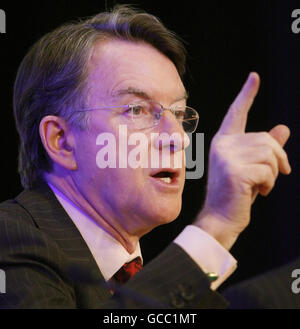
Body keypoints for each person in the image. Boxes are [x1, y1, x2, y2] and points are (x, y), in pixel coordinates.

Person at [0, 5, 291, 308]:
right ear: (61, 141)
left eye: (178, 114)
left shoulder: (137, 284)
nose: (177, 137)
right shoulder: (9, 240)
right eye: (136, 110)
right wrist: (216, 226)